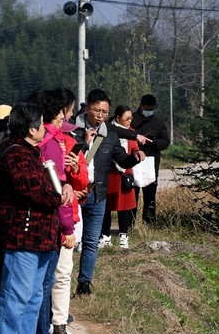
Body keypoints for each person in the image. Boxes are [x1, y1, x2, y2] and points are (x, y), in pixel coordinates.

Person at [0, 101, 68, 334]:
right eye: (41, 123)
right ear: (31, 128)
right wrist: (59, 196)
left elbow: (46, 188)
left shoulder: (32, 152)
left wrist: (63, 188)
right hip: (21, 237)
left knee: (34, 295)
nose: (44, 127)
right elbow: (34, 191)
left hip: (41, 237)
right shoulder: (15, 154)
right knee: (15, 294)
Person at [72, 89, 144, 296]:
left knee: (91, 241)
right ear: (87, 109)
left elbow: (121, 159)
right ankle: (59, 285)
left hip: (97, 193)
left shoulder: (110, 133)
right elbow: (67, 159)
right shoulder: (71, 130)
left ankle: (84, 283)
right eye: (97, 110)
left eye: (105, 112)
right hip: (74, 193)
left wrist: (134, 157)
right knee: (68, 242)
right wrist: (84, 143)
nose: (100, 115)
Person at [32, 88, 86, 334]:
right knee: (44, 277)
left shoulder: (70, 141)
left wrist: (74, 169)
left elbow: (82, 181)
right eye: (67, 111)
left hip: (68, 214)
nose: (68, 117)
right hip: (53, 216)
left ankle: (59, 324)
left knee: (62, 273)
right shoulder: (42, 142)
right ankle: (40, 331)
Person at [131, 93, 171, 223]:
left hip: (151, 162)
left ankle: (149, 222)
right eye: (147, 109)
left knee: (150, 193)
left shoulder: (158, 122)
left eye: (151, 109)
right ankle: (130, 222)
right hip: (133, 161)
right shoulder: (132, 119)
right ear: (141, 106)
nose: (149, 111)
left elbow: (165, 142)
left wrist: (153, 143)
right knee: (132, 193)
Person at [104, 106, 139, 250]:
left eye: (131, 118)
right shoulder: (107, 130)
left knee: (124, 206)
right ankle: (105, 236)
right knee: (106, 206)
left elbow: (135, 149)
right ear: (118, 118)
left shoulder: (131, 133)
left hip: (125, 174)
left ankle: (124, 236)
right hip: (110, 173)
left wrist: (137, 154)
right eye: (127, 118)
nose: (129, 121)